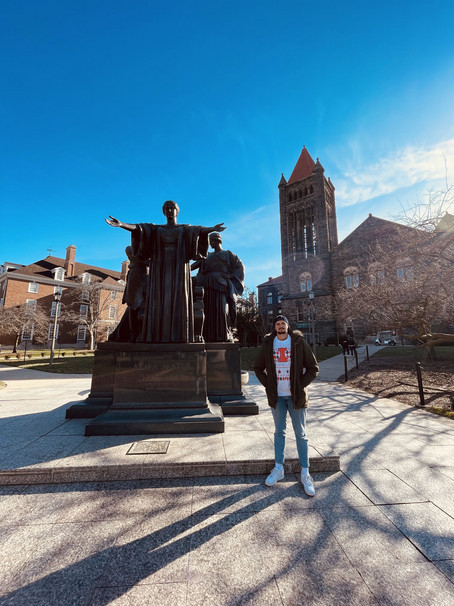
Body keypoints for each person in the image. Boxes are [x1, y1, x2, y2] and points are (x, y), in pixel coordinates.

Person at [106, 201, 225, 343]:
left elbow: (198, 231)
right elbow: (139, 228)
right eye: (166, 208)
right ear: (163, 212)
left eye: (172, 208)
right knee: (159, 300)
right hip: (160, 269)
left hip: (179, 268)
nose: (169, 210)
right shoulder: (156, 229)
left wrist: (212, 228)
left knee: (178, 298)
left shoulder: (184, 229)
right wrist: (122, 224)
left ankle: (179, 335)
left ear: (177, 211)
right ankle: (156, 335)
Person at [253, 315, 319, 496]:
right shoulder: (268, 344)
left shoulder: (298, 342)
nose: (281, 326)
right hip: (278, 398)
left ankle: (305, 473)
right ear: (274, 327)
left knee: (301, 433)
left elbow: (313, 368)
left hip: (296, 397)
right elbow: (258, 368)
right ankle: (278, 469)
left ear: (288, 326)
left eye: (283, 323)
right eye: (277, 324)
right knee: (279, 432)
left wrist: (300, 385)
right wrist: (269, 385)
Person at [192, 232, 245, 342]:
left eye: (211, 241)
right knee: (208, 311)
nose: (210, 244)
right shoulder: (207, 256)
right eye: (209, 241)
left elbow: (240, 267)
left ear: (218, 240)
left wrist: (231, 276)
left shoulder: (228, 254)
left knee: (222, 310)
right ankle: (207, 337)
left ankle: (225, 335)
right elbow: (192, 266)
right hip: (208, 286)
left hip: (221, 286)